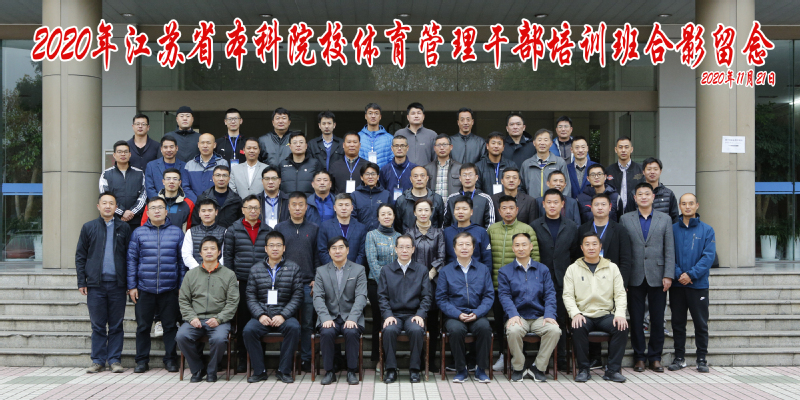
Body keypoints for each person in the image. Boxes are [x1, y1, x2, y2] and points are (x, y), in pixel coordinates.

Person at [619, 182, 675, 373]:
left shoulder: (665, 219)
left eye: (647, 194)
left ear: (653, 197)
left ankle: (655, 357)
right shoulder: (625, 219)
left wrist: (668, 274)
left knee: (657, 319)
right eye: (640, 194)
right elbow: (624, 251)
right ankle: (639, 357)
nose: (643, 197)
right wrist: (623, 279)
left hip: (658, 275)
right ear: (635, 198)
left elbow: (669, 249)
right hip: (634, 276)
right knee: (635, 319)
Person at [126, 196, 185, 373]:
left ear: (166, 211)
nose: (157, 211)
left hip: (170, 288)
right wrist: (132, 286)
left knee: (170, 326)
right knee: (143, 327)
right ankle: (141, 361)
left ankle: (170, 359)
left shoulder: (177, 233)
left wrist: (181, 286)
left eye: (160, 207)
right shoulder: (138, 233)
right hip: (144, 288)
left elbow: (182, 262)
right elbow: (131, 261)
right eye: (153, 208)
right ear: (148, 212)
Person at [76, 192, 132, 374]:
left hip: (118, 284)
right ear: (98, 206)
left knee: (116, 324)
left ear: (116, 207)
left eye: (111, 203)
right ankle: (98, 360)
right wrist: (81, 281)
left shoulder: (124, 228)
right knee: (98, 325)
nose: (108, 206)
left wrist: (130, 283)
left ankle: (115, 360)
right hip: (95, 285)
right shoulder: (88, 227)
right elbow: (80, 256)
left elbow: (130, 257)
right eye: (104, 203)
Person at [563, 233, 629, 383]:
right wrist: (575, 313)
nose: (591, 247)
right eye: (587, 244)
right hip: (584, 314)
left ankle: (612, 370)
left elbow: (620, 294)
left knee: (621, 327)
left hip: (605, 314)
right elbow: (567, 295)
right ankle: (584, 370)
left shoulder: (612, 267)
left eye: (594, 244)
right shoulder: (573, 269)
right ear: (582, 248)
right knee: (578, 326)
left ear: (600, 247)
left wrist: (620, 314)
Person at [578, 191, 632, 369]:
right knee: (589, 315)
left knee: (613, 320)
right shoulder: (583, 229)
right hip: (587, 281)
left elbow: (626, 259)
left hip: (611, 284)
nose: (600, 208)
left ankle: (612, 362)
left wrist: (622, 284)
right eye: (596, 205)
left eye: (603, 205)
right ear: (591, 208)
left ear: (610, 207)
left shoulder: (620, 230)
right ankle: (594, 358)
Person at [487, 196, 540, 370]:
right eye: (504, 208)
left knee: (518, 321)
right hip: (497, 284)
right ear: (499, 211)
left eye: (511, 208)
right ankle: (503, 355)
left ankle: (520, 357)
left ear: (517, 210)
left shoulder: (526, 229)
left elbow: (535, 258)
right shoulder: (492, 229)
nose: (508, 211)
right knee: (500, 322)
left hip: (521, 287)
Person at [243, 231, 303, 384]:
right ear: (265, 248)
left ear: (284, 248)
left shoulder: (293, 268)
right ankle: (259, 371)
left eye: (278, 245)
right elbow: (250, 296)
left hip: (284, 316)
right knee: (249, 330)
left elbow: (297, 296)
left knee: (294, 328)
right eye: (271, 245)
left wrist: (283, 315)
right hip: (262, 315)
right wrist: (260, 315)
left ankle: (284, 370)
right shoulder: (256, 269)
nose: (275, 248)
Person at [498, 232, 560, 382]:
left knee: (554, 330)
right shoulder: (505, 271)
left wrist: (549, 314)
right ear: (513, 248)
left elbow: (550, 294)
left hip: (539, 316)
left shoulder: (542, 269)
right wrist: (513, 314)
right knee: (513, 330)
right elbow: (504, 296)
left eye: (524, 245)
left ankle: (538, 367)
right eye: (517, 245)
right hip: (518, 316)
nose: (521, 248)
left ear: (531, 247)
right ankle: (518, 367)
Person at [176, 236, 239, 383]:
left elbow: (232, 302)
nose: (209, 252)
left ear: (219, 252)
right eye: (205, 249)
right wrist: (191, 317)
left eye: (212, 249)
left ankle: (212, 371)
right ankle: (198, 369)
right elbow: (183, 300)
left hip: (219, 320)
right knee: (181, 336)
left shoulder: (229, 275)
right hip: (195, 319)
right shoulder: (191, 274)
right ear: (200, 253)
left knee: (219, 339)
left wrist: (219, 319)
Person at [530, 188, 581, 372]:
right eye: (549, 202)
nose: (552, 206)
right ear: (543, 204)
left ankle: (560, 359)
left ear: (562, 204)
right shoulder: (534, 226)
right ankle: (541, 360)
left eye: (556, 202)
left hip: (563, 280)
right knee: (540, 319)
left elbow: (574, 253)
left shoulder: (571, 226)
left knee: (559, 318)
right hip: (538, 280)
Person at [223, 194, 274, 372]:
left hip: (263, 282)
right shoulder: (233, 230)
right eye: (249, 208)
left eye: (256, 208)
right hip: (241, 281)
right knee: (243, 320)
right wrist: (231, 280)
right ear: (243, 210)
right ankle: (243, 359)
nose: (253, 211)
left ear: (260, 210)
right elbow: (228, 257)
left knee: (262, 318)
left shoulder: (267, 230)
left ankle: (260, 358)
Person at [437, 232, 495, 384]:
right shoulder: (446, 271)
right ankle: (461, 369)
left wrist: (477, 313)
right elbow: (441, 299)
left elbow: (489, 296)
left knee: (484, 328)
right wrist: (457, 314)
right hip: (455, 315)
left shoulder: (483, 269)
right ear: (454, 248)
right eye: (460, 245)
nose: (464, 248)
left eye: (468, 244)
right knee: (456, 330)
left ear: (473, 248)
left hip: (477, 313)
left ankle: (480, 369)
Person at [668, 193, 715, 373]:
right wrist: (679, 274)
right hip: (677, 285)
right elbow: (668, 255)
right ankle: (679, 358)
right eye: (684, 203)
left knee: (700, 324)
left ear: (697, 205)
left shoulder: (707, 230)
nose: (687, 207)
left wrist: (691, 275)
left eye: (691, 203)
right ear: (679, 206)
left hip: (698, 285)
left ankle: (701, 359)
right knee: (678, 323)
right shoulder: (672, 229)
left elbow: (708, 257)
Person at [274, 191, 320, 372]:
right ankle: (287, 358)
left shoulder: (314, 228)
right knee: (286, 322)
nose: (298, 208)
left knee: (307, 323)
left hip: (308, 283)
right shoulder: (280, 228)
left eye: (301, 204)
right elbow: (275, 255)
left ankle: (307, 358)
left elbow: (317, 256)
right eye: (294, 204)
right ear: (288, 207)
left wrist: (316, 278)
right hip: (285, 283)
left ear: (306, 207)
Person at [313, 236, 368, 386]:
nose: (337, 251)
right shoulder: (321, 271)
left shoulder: (358, 270)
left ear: (347, 250)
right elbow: (318, 297)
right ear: (329, 252)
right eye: (334, 248)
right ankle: (329, 371)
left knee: (351, 331)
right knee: (327, 332)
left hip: (351, 315)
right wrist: (325, 318)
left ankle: (351, 371)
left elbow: (361, 297)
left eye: (341, 247)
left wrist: (353, 318)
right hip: (330, 316)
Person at [379, 234, 432, 384]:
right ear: (395, 249)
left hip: (413, 314)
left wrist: (420, 314)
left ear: (413, 249)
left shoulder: (421, 270)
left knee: (416, 330)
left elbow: (427, 296)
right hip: (393, 314)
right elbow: (382, 296)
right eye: (401, 247)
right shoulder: (386, 270)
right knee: (389, 330)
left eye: (408, 247)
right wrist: (388, 315)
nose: (404, 250)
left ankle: (415, 369)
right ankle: (390, 369)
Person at [406, 198, 446, 373]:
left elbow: (441, 257)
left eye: (426, 210)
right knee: (416, 321)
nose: (423, 213)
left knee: (434, 323)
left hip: (433, 282)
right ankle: (418, 360)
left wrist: (429, 274)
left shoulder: (438, 233)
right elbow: (406, 256)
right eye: (420, 210)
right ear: (414, 213)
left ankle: (431, 360)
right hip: (412, 283)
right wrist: (418, 277)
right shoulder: (408, 233)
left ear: (431, 212)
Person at [365, 204, 402, 363]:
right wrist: (386, 284)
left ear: (394, 216)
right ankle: (378, 358)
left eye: (389, 213)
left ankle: (391, 357)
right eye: (383, 214)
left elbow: (401, 262)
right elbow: (373, 262)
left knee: (392, 321)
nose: (387, 216)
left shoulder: (399, 236)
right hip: (376, 284)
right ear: (378, 217)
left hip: (397, 286)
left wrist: (394, 283)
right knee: (378, 320)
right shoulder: (371, 235)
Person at [100, 140, 147, 231]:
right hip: (114, 220)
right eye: (119, 152)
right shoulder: (106, 174)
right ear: (114, 155)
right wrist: (122, 212)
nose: (123, 154)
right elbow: (105, 197)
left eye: (125, 152)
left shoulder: (139, 173)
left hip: (135, 221)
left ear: (130, 154)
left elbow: (143, 195)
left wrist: (132, 212)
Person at [623, 157, 679, 223]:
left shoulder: (668, 194)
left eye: (655, 169)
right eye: (649, 169)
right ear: (643, 172)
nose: (652, 172)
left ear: (660, 171)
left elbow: (675, 219)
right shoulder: (635, 193)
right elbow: (628, 218)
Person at [317, 193, 368, 266]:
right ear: (335, 208)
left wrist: (354, 269)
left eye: (347, 205)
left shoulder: (361, 228)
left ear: (352, 208)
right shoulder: (325, 226)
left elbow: (362, 253)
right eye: (340, 205)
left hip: (354, 270)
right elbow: (322, 251)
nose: (344, 208)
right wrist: (334, 268)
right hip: (331, 269)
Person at [520, 129, 572, 198]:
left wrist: (561, 202)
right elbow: (521, 187)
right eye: (539, 140)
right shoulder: (526, 164)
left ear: (551, 143)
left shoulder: (559, 162)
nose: (542, 143)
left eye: (546, 140)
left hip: (553, 203)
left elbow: (566, 186)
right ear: (534, 143)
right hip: (532, 203)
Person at [443, 196, 492, 267]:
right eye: (457, 209)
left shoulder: (481, 231)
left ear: (471, 212)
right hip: (452, 272)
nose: (460, 212)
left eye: (464, 209)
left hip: (476, 271)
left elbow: (487, 258)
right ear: (453, 212)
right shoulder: (447, 232)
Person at [443, 163, 495, 228]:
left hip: (478, 234)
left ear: (476, 177)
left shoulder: (485, 199)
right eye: (464, 175)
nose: (467, 178)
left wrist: (480, 234)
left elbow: (490, 226)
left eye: (470, 175)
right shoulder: (451, 199)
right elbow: (445, 224)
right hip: (456, 234)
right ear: (460, 178)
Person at [394, 166, 445, 232]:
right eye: (415, 176)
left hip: (431, 237)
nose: (419, 179)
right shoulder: (402, 200)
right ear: (411, 179)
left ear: (427, 178)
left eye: (422, 176)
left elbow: (440, 222)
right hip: (408, 237)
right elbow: (398, 224)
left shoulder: (437, 199)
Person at [182, 198, 227, 270]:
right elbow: (186, 255)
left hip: (218, 271)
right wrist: (199, 269)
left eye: (210, 210)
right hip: (196, 272)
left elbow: (225, 254)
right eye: (203, 211)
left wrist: (215, 268)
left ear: (216, 212)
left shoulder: (224, 232)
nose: (207, 214)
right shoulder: (190, 232)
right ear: (199, 213)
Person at [145, 135, 193, 200]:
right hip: (157, 203)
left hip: (180, 203)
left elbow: (186, 187)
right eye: (165, 147)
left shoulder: (185, 166)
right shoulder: (151, 166)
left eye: (171, 147)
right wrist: (160, 202)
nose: (169, 150)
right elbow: (149, 188)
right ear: (161, 149)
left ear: (176, 148)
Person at [184, 133, 230, 198]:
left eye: (208, 143)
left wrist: (213, 202)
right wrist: (197, 201)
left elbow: (226, 185)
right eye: (202, 143)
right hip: (195, 203)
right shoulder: (189, 165)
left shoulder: (222, 163)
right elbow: (185, 187)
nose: (205, 146)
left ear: (214, 145)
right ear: (198, 145)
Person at [352, 163, 394, 231]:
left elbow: (392, 217)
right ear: (362, 177)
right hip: (361, 234)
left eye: (373, 174)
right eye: (367, 174)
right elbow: (352, 218)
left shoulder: (386, 195)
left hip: (382, 233)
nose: (370, 177)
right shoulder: (355, 195)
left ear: (378, 177)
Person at [606, 137, 644, 210]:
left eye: (626, 147)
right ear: (616, 150)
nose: (623, 150)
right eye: (620, 147)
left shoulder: (641, 170)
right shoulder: (608, 171)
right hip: (614, 211)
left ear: (631, 149)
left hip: (635, 211)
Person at [394, 102, 437, 166]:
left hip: (426, 171)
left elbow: (436, 158)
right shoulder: (399, 133)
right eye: (413, 113)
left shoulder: (432, 135)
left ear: (423, 116)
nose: (416, 116)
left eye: (419, 113)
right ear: (408, 117)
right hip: (404, 171)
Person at [425, 134, 463, 199]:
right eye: (438, 145)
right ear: (434, 148)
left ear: (451, 147)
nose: (442, 148)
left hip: (453, 204)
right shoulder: (427, 168)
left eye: (445, 145)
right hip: (433, 204)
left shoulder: (460, 168)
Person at [358, 103, 393, 167]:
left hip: (383, 173)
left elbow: (393, 160)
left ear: (380, 117)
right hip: (362, 173)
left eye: (376, 113)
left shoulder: (390, 138)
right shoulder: (358, 137)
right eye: (370, 113)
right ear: (365, 116)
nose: (373, 116)